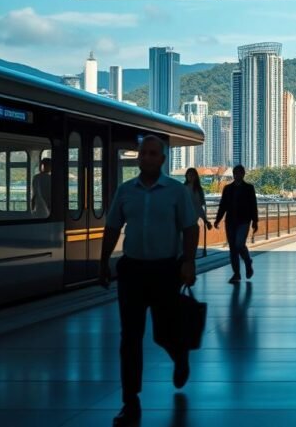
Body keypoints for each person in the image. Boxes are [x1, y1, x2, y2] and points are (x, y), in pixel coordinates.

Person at [99, 136, 199, 426]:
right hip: (132, 271)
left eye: (153, 154)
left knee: (164, 331)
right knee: (130, 337)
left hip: (165, 270)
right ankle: (130, 401)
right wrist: (104, 261)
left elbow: (190, 228)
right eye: (143, 153)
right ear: (139, 158)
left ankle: (180, 356)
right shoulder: (126, 191)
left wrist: (188, 262)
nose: (147, 158)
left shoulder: (176, 192)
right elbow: (113, 226)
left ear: (163, 160)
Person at [214, 165, 258, 284]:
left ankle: (248, 261)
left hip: (244, 221)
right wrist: (218, 220)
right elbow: (222, 205)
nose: (237, 175)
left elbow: (253, 205)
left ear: (243, 174)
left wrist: (255, 221)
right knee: (233, 248)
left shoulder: (249, 188)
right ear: (233, 174)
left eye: (239, 173)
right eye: (235, 173)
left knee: (239, 244)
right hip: (230, 221)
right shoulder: (228, 189)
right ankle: (236, 273)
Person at [184, 168, 213, 233]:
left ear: (195, 177)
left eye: (193, 175)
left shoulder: (198, 190)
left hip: (193, 222)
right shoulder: (182, 189)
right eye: (189, 175)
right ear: (186, 176)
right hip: (184, 221)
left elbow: (199, 207)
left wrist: (205, 221)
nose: (191, 177)